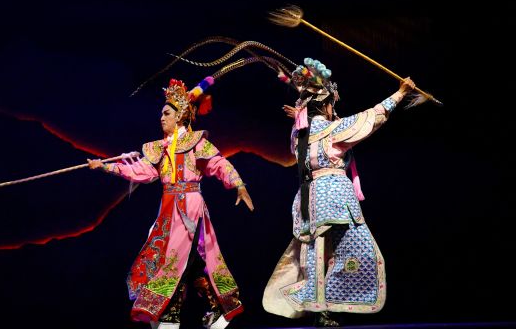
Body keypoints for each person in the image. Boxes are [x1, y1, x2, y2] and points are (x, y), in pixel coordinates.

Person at [88, 78, 253, 329]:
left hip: (189, 207)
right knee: (188, 261)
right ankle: (210, 308)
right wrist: (106, 167)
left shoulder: (195, 142)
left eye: (166, 113)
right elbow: (141, 171)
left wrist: (238, 184)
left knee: (174, 260)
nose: (161, 118)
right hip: (168, 208)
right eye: (161, 114)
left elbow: (218, 164)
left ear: (180, 116)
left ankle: (172, 314)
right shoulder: (161, 149)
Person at [262, 58, 416, 327]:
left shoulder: (298, 134)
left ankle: (320, 308)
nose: (335, 109)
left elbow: (311, 124)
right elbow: (371, 117)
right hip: (334, 198)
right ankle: (323, 307)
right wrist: (400, 93)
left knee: (316, 255)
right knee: (355, 251)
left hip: (309, 199)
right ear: (325, 105)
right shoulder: (332, 130)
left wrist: (301, 114)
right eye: (332, 104)